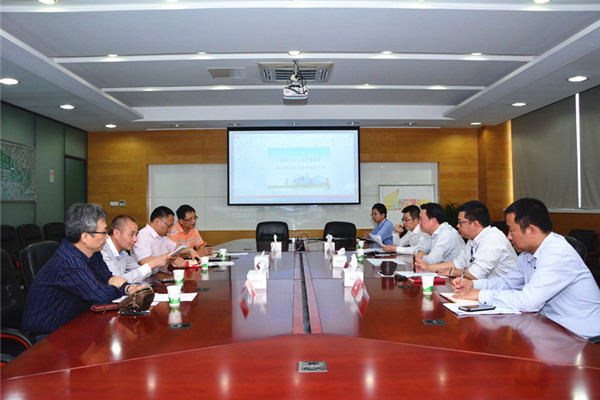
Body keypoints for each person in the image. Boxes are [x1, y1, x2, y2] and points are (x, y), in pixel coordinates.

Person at [453, 198, 600, 339]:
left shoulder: (557, 254)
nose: (509, 237)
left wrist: (480, 295)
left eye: (511, 230)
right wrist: (473, 285)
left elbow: (529, 302)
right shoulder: (527, 254)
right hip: (549, 328)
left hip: (581, 339)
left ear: (531, 230)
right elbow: (507, 283)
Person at [21, 203, 145, 337]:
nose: (107, 237)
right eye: (103, 232)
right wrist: (122, 287)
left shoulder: (94, 253)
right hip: (47, 335)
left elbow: (108, 278)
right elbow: (101, 296)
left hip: (74, 323)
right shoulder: (69, 261)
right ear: (85, 237)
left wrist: (128, 288)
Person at [415, 200, 516, 279]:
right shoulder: (473, 239)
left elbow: (475, 274)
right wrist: (427, 267)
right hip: (486, 288)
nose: (458, 226)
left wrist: (452, 272)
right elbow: (458, 263)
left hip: (504, 292)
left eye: (461, 222)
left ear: (475, 224)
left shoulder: (493, 238)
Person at [102, 215, 172, 283]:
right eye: (132, 234)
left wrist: (163, 261)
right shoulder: (103, 252)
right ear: (116, 233)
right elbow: (117, 281)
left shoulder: (123, 253)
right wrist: (153, 263)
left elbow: (139, 271)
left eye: (136, 234)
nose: (136, 239)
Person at [134, 206, 200, 269]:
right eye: (169, 226)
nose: (170, 229)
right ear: (158, 221)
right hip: (152, 275)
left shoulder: (162, 236)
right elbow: (144, 261)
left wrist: (190, 250)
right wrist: (170, 260)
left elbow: (176, 247)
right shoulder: (143, 235)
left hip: (164, 272)